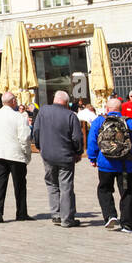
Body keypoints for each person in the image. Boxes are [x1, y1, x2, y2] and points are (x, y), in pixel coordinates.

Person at [88, 95, 132, 232]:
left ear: (107, 109)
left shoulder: (99, 122)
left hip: (105, 164)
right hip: (125, 165)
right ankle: (127, 224)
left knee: (104, 189)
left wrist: (92, 158)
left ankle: (110, 215)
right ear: (121, 109)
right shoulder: (130, 123)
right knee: (126, 192)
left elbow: (92, 141)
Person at [32, 90, 85, 227]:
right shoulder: (70, 115)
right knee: (66, 186)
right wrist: (78, 152)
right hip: (65, 156)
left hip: (47, 154)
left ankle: (56, 214)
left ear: (54, 99)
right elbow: (77, 138)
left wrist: (39, 146)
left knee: (51, 183)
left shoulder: (43, 111)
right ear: (66, 102)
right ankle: (66, 218)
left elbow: (36, 131)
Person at [0, 91, 33, 223]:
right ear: (12, 102)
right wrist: (26, 154)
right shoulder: (18, 117)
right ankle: (21, 212)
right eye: (16, 100)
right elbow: (25, 138)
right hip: (15, 154)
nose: (17, 103)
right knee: (20, 184)